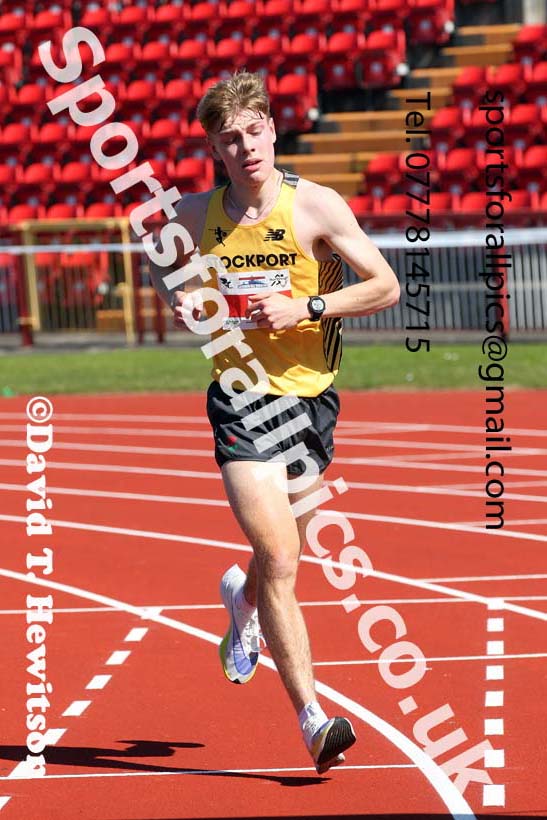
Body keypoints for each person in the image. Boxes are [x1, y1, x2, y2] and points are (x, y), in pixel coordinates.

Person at [150, 70, 400, 775]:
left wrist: (309, 308)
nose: (246, 146)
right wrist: (189, 305)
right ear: (215, 148)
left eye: (254, 131)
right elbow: (170, 273)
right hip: (241, 398)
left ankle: (240, 601)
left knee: (275, 552)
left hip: (311, 400)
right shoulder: (194, 215)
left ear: (271, 132)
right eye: (230, 138)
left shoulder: (315, 207)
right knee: (286, 561)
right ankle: (312, 720)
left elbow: (385, 285)